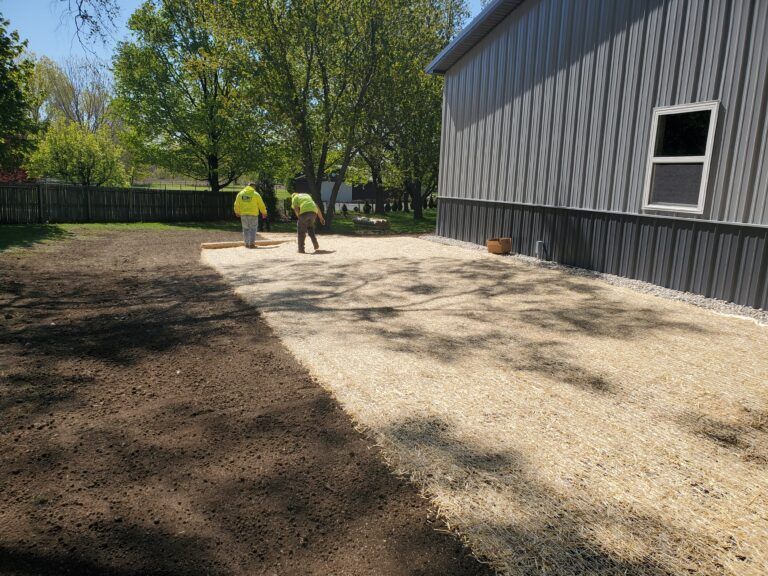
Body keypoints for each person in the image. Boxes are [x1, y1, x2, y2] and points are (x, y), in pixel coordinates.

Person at [234, 182, 267, 248]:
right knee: (253, 229)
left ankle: (246, 244)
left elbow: (236, 204)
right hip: (253, 214)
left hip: (243, 214)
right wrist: (264, 212)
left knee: (245, 229)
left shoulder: (240, 194)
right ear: (253, 187)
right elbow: (261, 204)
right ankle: (251, 244)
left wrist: (237, 212)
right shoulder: (255, 194)